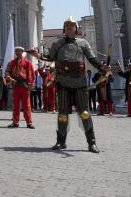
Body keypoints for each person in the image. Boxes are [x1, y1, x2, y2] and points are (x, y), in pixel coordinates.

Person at [30, 16, 102, 153]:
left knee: (85, 113)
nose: (69, 27)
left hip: (79, 83)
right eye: (67, 25)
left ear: (76, 29)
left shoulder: (83, 43)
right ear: (64, 29)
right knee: (62, 114)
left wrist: (103, 68)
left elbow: (92, 59)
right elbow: (49, 58)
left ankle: (91, 142)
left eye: (72, 25)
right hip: (63, 83)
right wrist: (37, 55)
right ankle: (61, 141)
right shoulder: (57, 44)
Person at [5, 47, 34, 128]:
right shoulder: (11, 63)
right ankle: (15, 122)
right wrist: (10, 78)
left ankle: (29, 123)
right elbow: (7, 72)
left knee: (27, 105)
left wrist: (30, 85)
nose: (17, 52)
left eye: (19, 51)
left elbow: (31, 74)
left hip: (25, 86)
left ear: (22, 52)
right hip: (16, 86)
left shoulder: (28, 63)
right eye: (16, 51)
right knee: (16, 105)